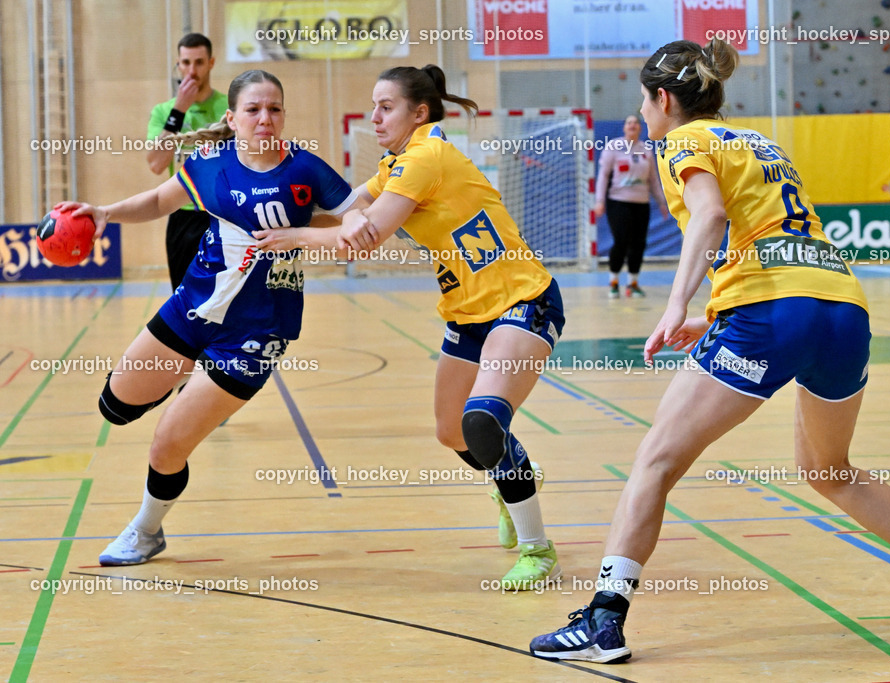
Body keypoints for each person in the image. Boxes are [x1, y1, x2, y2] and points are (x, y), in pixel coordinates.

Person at [530, 39, 890, 663]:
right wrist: (714, 314)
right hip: (842, 308)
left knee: (655, 461)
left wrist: (674, 305)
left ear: (663, 99)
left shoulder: (679, 141)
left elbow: (711, 216)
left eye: (644, 102)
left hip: (771, 313)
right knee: (831, 470)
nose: (644, 115)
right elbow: (775, 240)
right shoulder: (759, 142)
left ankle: (603, 620)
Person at [58, 69, 356, 566]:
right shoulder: (210, 164)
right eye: (254, 110)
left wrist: (306, 232)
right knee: (114, 406)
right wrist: (104, 212)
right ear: (232, 118)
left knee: (166, 445)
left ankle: (146, 531)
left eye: (275, 109)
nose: (266, 119)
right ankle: (194, 382)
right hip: (192, 308)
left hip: (257, 331)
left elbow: (360, 220)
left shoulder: (307, 171)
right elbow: (157, 200)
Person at [320, 64, 563, 590]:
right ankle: (512, 474)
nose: (375, 116)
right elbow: (350, 208)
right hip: (466, 313)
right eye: (374, 105)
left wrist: (288, 239)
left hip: (522, 301)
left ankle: (538, 550)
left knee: (482, 422)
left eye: (386, 106)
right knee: (452, 431)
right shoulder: (397, 163)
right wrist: (279, 210)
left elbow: (367, 233)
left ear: (419, 113)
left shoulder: (426, 157)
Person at [146, 33, 229, 291]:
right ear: (178, 65)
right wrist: (179, 111)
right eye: (186, 62)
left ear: (211, 63)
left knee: (228, 300)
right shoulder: (164, 112)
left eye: (199, 62)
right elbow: (156, 164)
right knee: (184, 303)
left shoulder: (232, 108)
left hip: (225, 215)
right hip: (183, 216)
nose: (192, 70)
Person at [595, 115, 668, 299]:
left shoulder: (646, 150)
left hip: (641, 203)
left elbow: (653, 180)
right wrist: (599, 201)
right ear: (624, 128)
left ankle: (633, 284)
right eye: (629, 123)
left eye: (636, 123)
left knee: (639, 244)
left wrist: (661, 202)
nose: (633, 125)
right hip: (618, 201)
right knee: (621, 241)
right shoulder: (613, 147)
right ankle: (613, 282)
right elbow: (603, 176)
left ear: (640, 128)